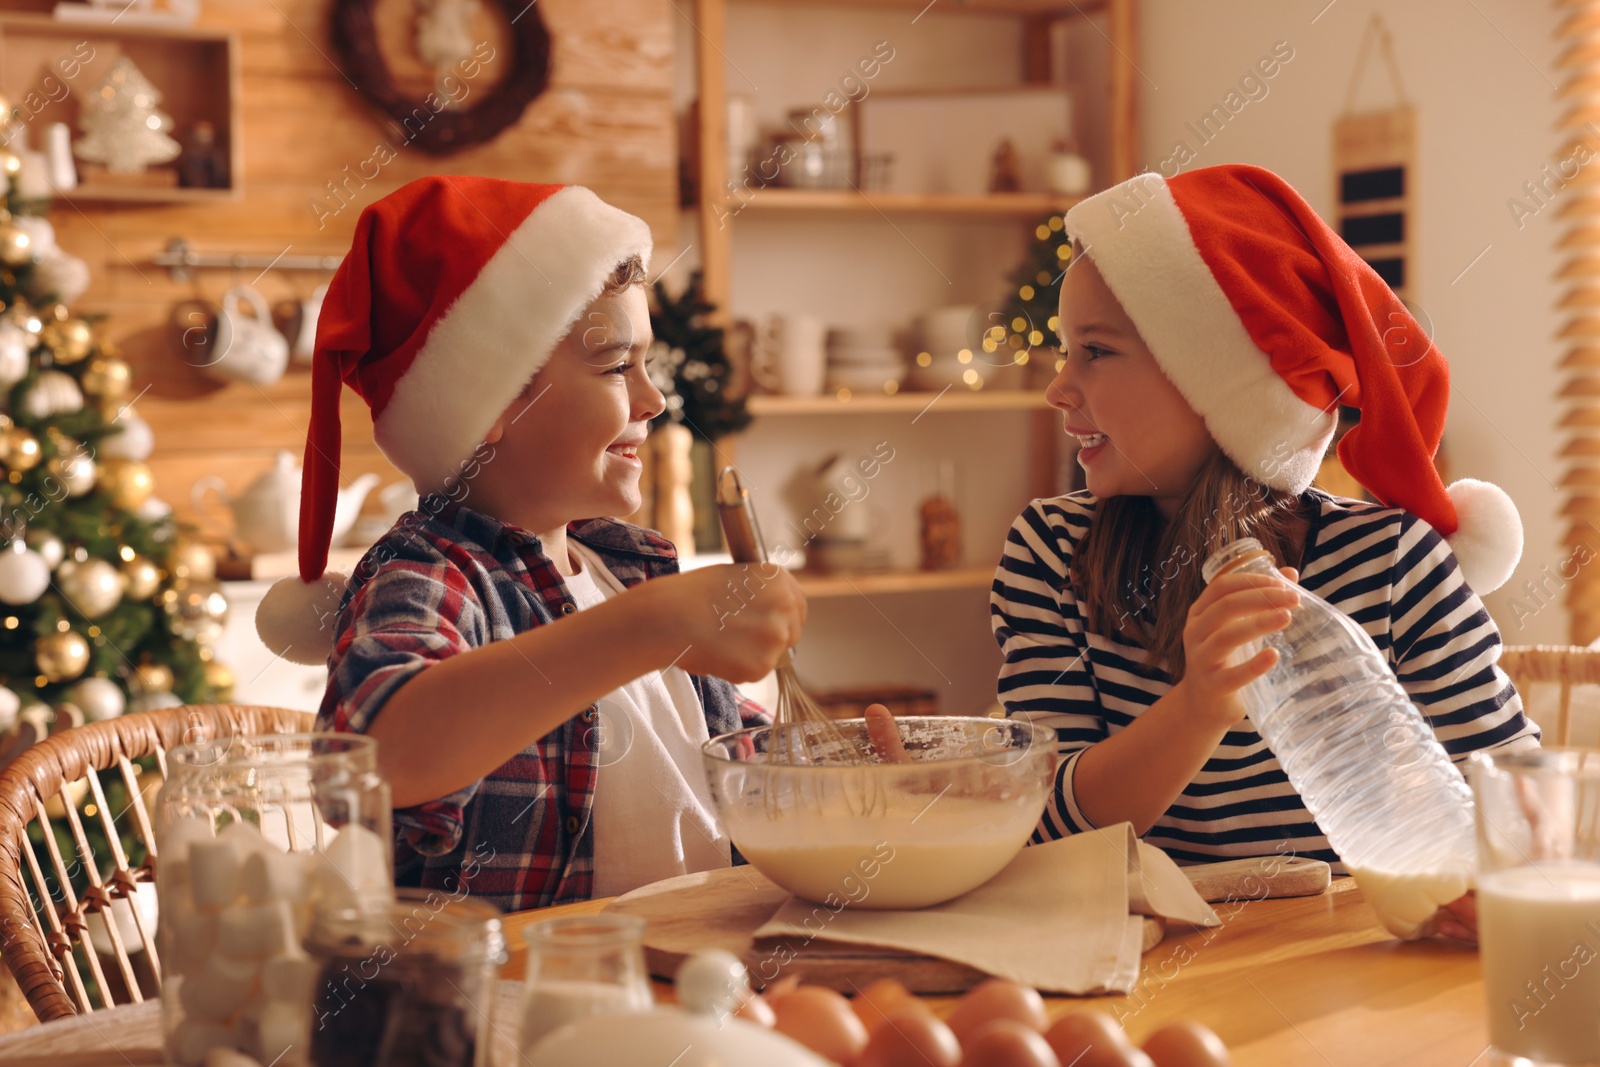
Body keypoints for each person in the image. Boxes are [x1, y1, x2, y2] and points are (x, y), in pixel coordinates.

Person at [990, 164, 1539, 941]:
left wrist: (1491, 888)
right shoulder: (1052, 553)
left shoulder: (1393, 565)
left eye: (1097, 352)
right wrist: (1198, 708)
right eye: (1064, 350)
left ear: (1219, 382)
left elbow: (1522, 804)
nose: (1059, 388)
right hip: (1144, 971)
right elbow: (1043, 831)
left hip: (1355, 971)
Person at [256, 176, 805, 910]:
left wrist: (849, 772)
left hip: (685, 987)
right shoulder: (431, 572)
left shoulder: (628, 571)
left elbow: (717, 762)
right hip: (514, 1005)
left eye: (647, 364)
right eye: (616, 367)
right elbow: (371, 759)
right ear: (494, 398)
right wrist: (652, 628)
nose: (653, 399)